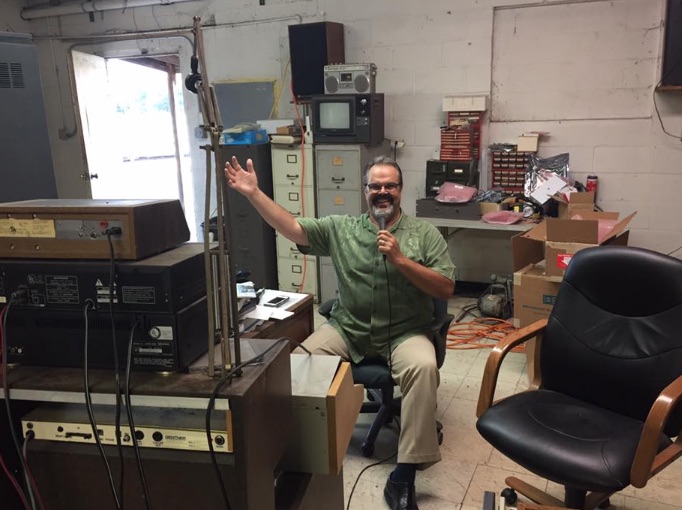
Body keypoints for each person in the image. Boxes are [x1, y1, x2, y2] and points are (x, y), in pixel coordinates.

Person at [225, 154, 456, 510]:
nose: (383, 192)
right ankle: (298, 457)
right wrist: (254, 193)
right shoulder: (341, 228)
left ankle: (404, 475)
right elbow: (293, 228)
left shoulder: (425, 235)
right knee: (293, 366)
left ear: (401, 190)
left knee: (423, 369)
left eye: (390, 186)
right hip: (349, 328)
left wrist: (400, 260)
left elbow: (445, 288)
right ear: (365, 190)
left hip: (405, 332)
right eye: (375, 186)